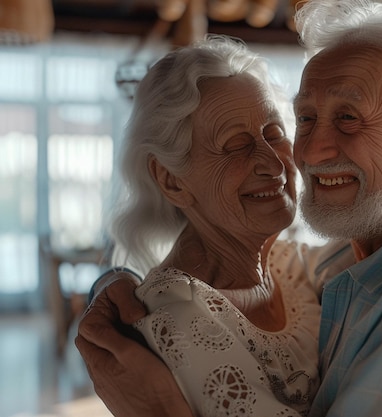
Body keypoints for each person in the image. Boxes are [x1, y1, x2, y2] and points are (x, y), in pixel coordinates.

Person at [75, 2, 382, 416]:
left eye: (348, 117)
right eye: (305, 119)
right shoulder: (348, 262)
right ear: (171, 179)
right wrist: (116, 282)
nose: (306, 154)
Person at [79, 35, 323, 417]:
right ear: (172, 181)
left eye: (274, 134)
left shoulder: (292, 265)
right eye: (235, 145)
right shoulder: (176, 320)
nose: (274, 165)